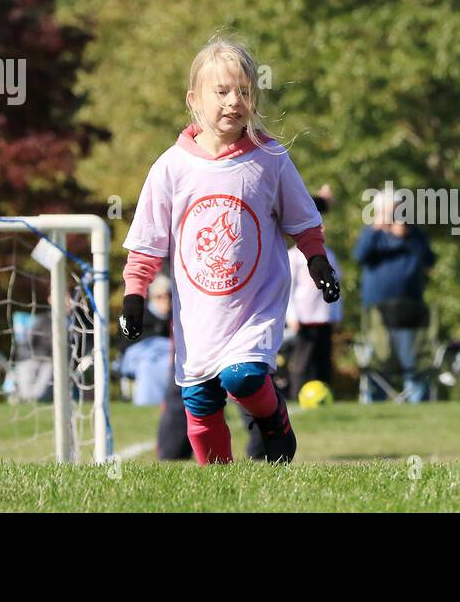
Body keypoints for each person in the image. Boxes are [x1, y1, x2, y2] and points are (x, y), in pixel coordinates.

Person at [119, 37, 339, 464]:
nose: (234, 102)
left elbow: (305, 221)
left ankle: (275, 422)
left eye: (244, 91)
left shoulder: (270, 158)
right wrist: (133, 296)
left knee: (242, 376)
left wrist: (318, 262)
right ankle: (219, 486)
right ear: (194, 99)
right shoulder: (171, 167)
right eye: (221, 92)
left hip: (254, 307)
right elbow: (146, 245)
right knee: (199, 402)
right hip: (198, 316)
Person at [352, 190, 436, 402]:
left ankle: (417, 399)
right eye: (391, 208)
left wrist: (406, 235)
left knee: (412, 358)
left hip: (409, 308)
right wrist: (376, 228)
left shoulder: (414, 235)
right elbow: (359, 255)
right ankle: (373, 399)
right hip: (377, 309)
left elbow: (429, 259)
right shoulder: (373, 234)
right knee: (379, 357)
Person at [286, 188, 343, 399]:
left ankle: (325, 396)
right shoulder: (293, 256)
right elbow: (288, 288)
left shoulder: (331, 256)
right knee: (302, 362)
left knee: (323, 362)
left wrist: (336, 315)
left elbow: (336, 287)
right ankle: (296, 396)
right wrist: (292, 316)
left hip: (324, 317)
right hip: (304, 318)